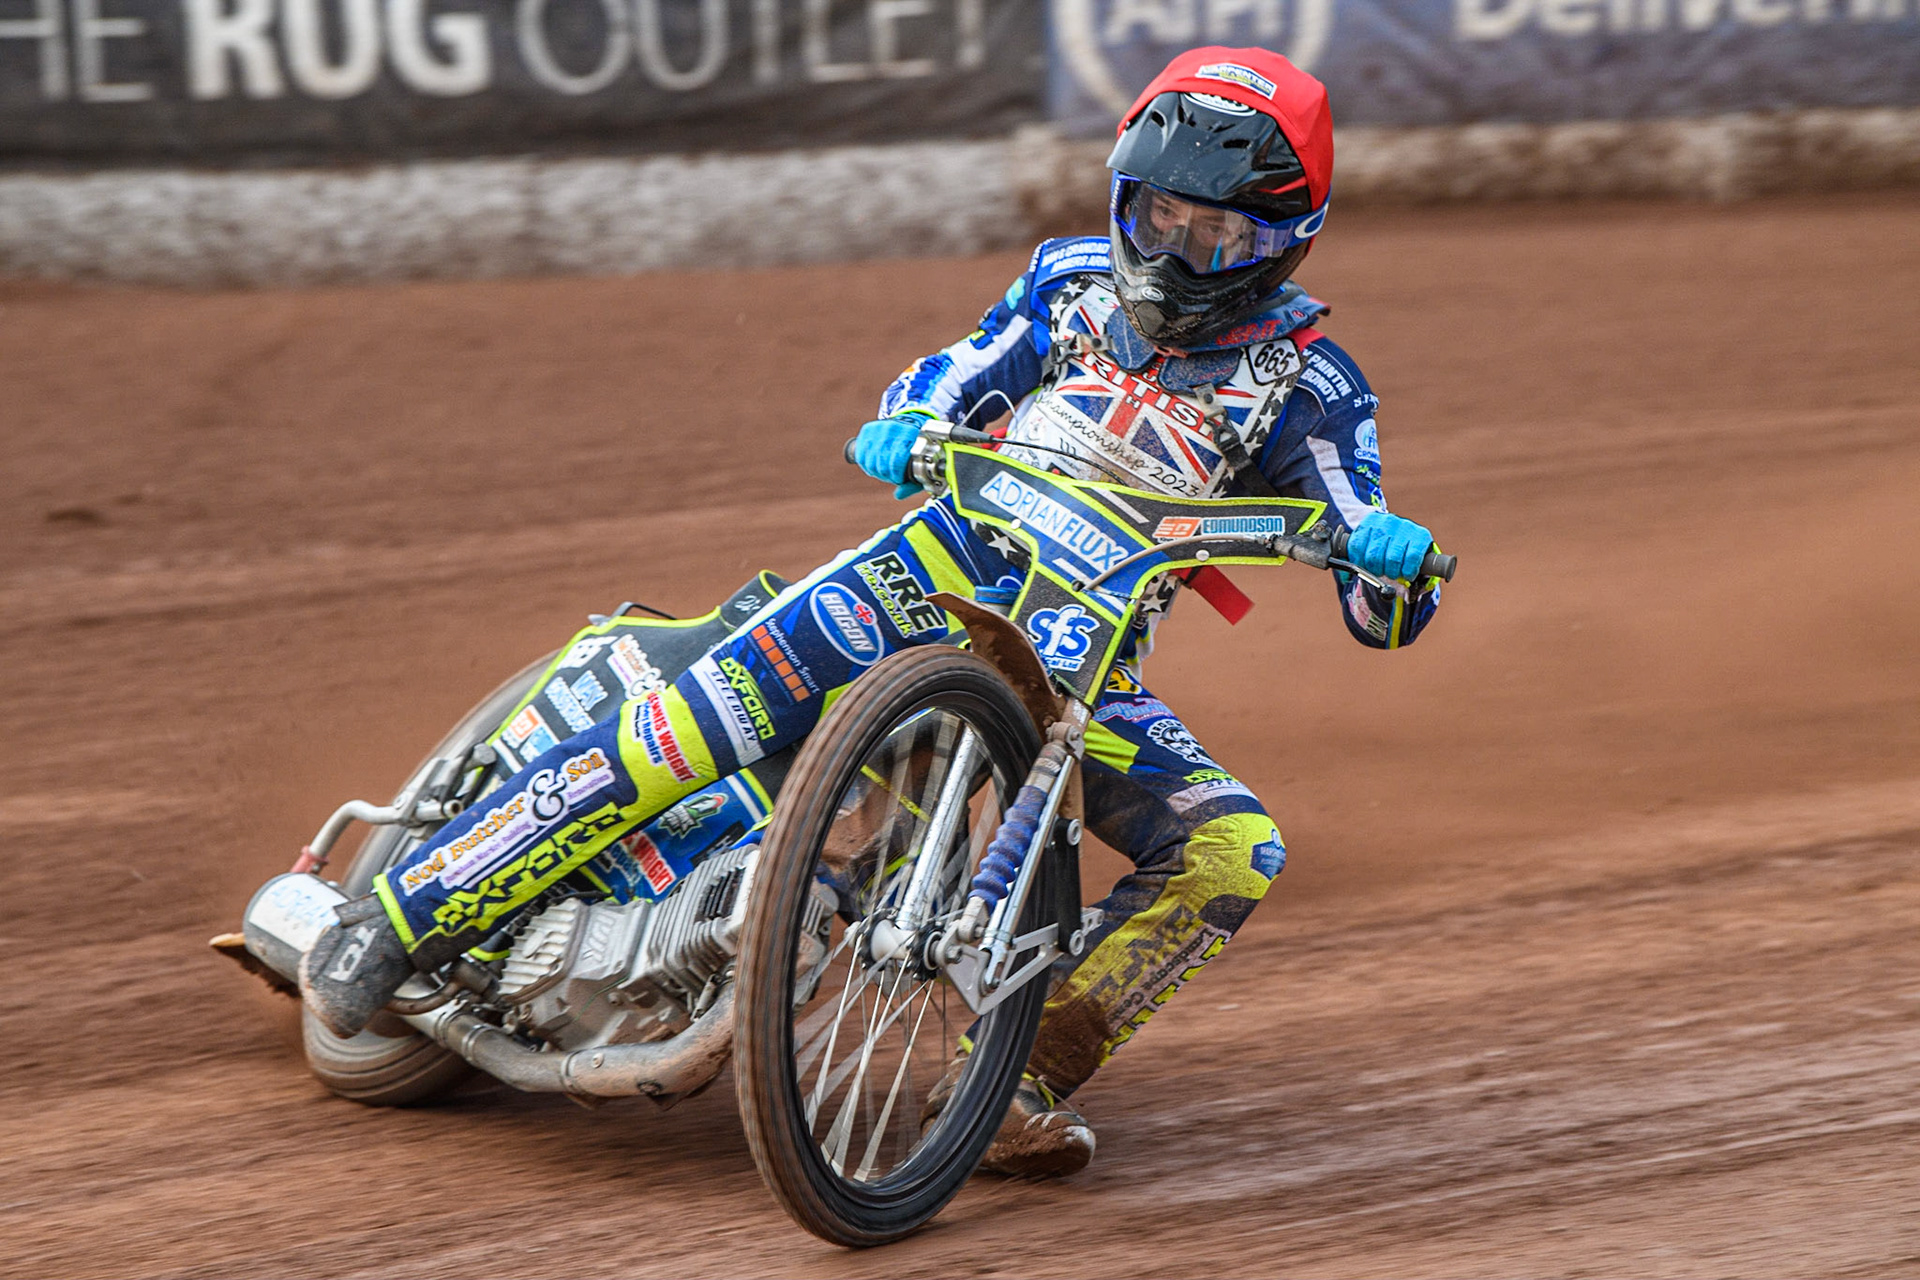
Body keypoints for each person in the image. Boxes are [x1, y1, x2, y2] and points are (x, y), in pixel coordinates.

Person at [300, 45, 1445, 1178]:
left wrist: (1390, 563)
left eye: (1220, 234)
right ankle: (401, 914)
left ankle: (1020, 1078)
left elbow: (1370, 591)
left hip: (1079, 661)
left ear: (1287, 237)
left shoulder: (1315, 387)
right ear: (1123, 198)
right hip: (923, 569)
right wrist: (905, 420)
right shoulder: (1069, 283)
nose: (1180, 249)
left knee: (1234, 844)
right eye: (1159, 216)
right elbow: (952, 375)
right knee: (697, 718)